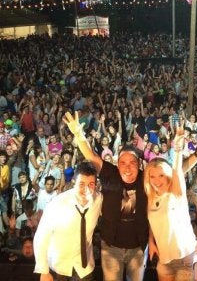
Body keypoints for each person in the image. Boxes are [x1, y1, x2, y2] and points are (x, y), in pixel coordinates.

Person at [63, 111, 149, 281]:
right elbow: (90, 155)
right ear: (117, 164)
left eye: (132, 163)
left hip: (138, 247)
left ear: (139, 164)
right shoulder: (111, 173)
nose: (127, 167)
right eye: (122, 162)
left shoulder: (146, 177)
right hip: (111, 247)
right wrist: (79, 134)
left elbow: (171, 174)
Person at [33, 161, 102, 281]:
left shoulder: (98, 199)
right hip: (58, 266)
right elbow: (41, 237)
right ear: (73, 183)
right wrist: (43, 270)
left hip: (84, 267)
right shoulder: (57, 204)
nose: (86, 189)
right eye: (81, 184)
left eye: (91, 184)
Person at [144, 126, 195, 281]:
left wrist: (178, 147)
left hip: (185, 259)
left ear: (167, 175)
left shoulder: (176, 192)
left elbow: (177, 170)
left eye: (161, 175)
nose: (157, 180)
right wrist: (150, 241)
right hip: (164, 261)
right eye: (152, 176)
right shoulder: (151, 198)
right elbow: (153, 222)